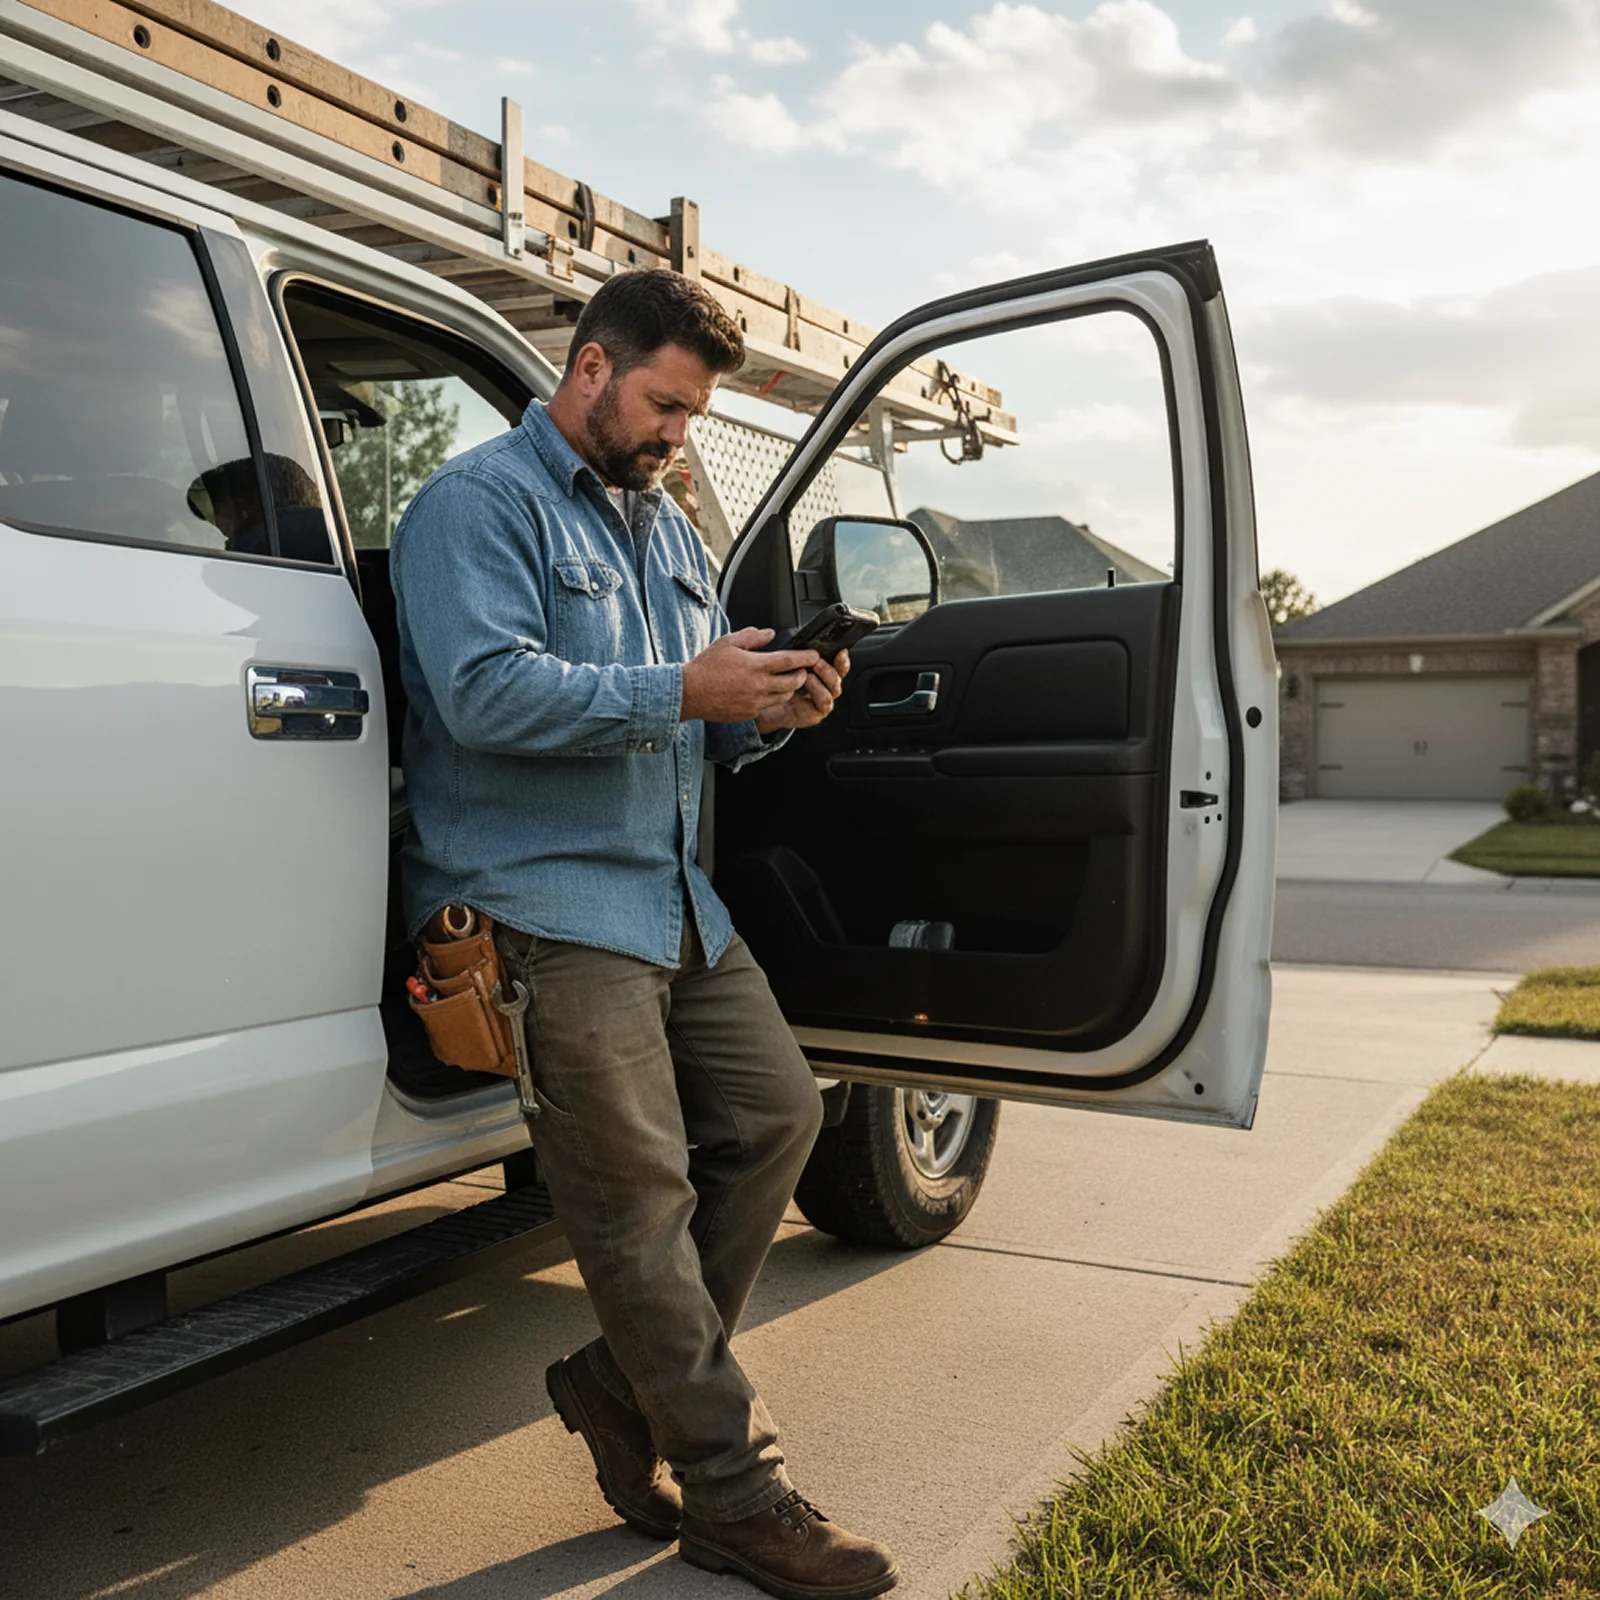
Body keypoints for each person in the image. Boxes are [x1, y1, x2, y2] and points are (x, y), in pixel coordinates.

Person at [391, 268, 898, 1600]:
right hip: (542, 904)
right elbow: (487, 693)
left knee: (783, 1115)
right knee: (637, 1207)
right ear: (592, 367)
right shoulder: (472, 508)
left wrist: (764, 707)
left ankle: (616, 1382)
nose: (679, 436)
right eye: (667, 406)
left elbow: (687, 724)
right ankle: (736, 1495)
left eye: (691, 414)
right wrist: (685, 683)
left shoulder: (665, 528)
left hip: (675, 899)